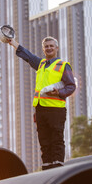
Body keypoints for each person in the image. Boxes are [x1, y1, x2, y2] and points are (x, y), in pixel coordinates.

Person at [8, 36, 76, 170]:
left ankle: (57, 167)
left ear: (56, 48)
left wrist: (58, 92)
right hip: (40, 110)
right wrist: (13, 43)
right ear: (43, 49)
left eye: (51, 46)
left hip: (56, 109)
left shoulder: (63, 65)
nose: (49, 48)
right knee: (44, 141)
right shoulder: (41, 64)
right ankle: (47, 168)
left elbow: (71, 86)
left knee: (56, 140)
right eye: (46, 46)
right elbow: (28, 55)